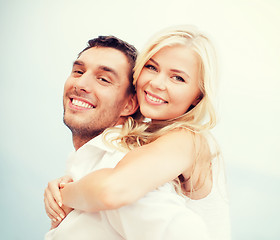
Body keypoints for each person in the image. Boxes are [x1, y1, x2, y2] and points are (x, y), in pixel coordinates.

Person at [44, 34, 211, 240]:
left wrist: (64, 195)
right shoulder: (88, 164)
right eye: (78, 71)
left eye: (103, 79)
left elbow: (184, 232)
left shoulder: (121, 163)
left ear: (129, 105)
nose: (81, 84)